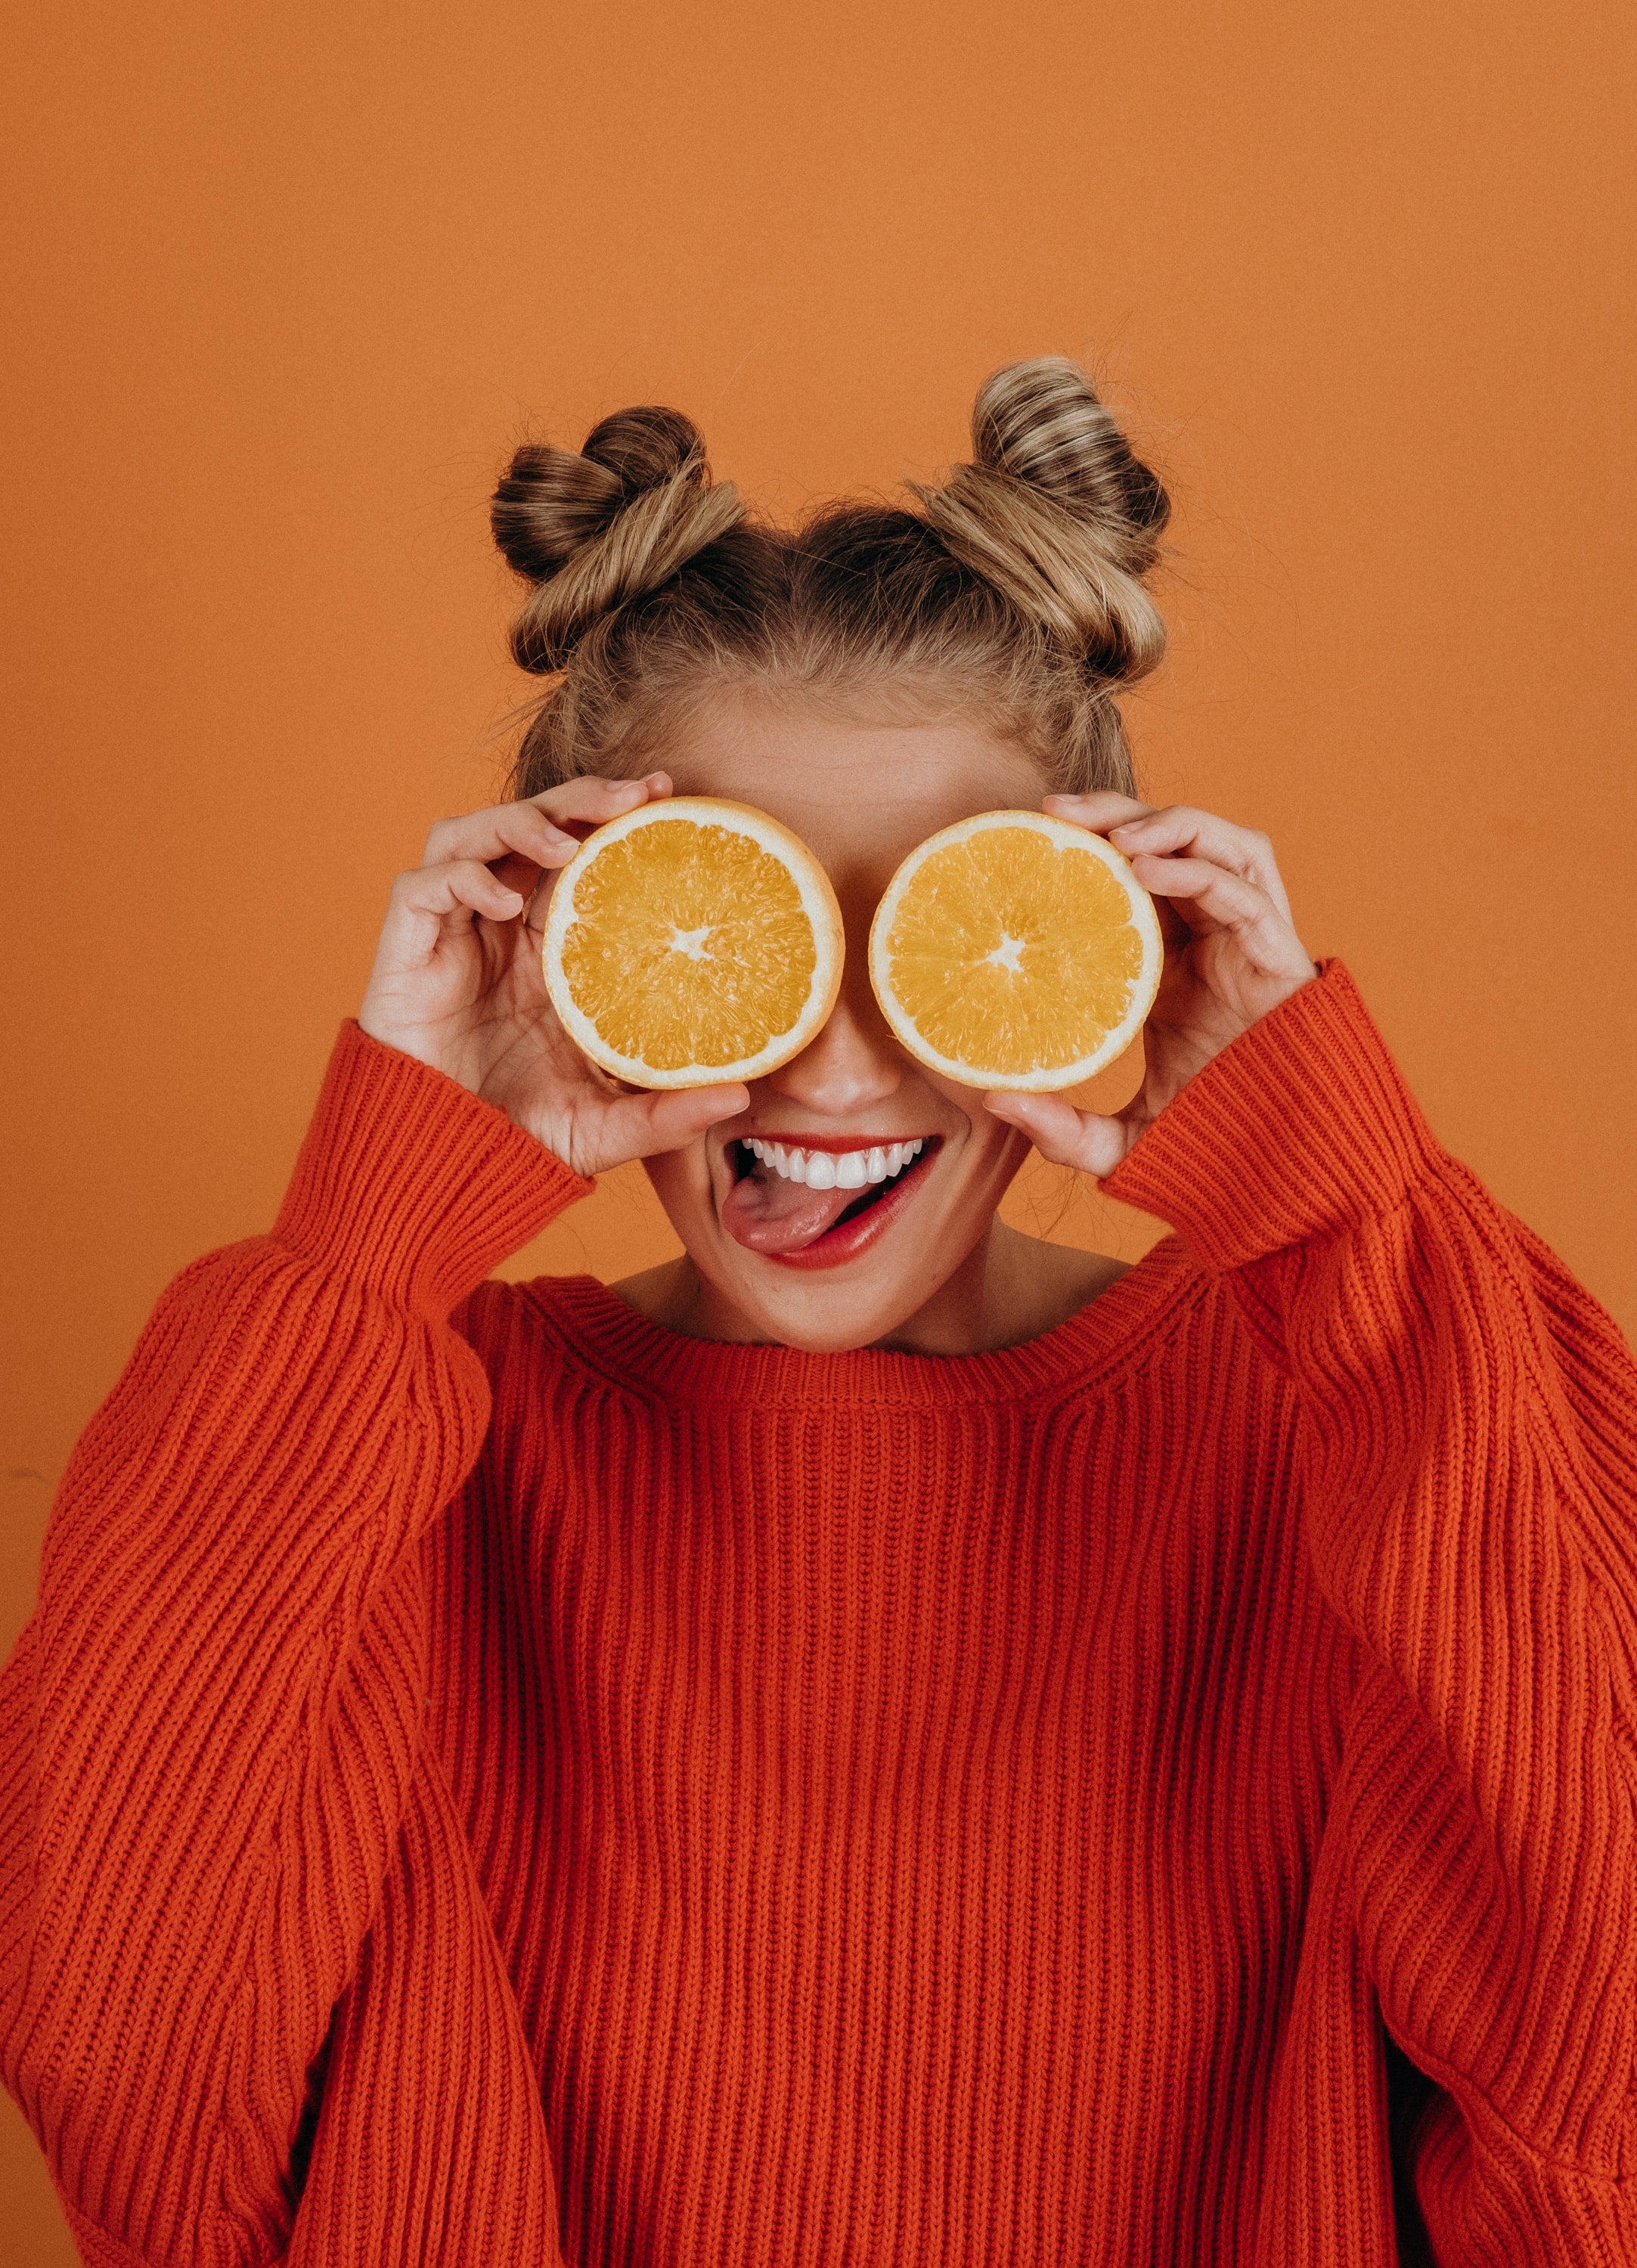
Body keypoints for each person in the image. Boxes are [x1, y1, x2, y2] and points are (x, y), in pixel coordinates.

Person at [2, 358, 1633, 2268]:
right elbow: (123, 2078)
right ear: (562, 942)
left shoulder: (1357, 1403)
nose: (841, 1075)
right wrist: (374, 1228)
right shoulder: (400, 1448)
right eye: (730, 930)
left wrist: (1345, 1212)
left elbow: (1593, 2104)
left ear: (1108, 941)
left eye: (947, 934)